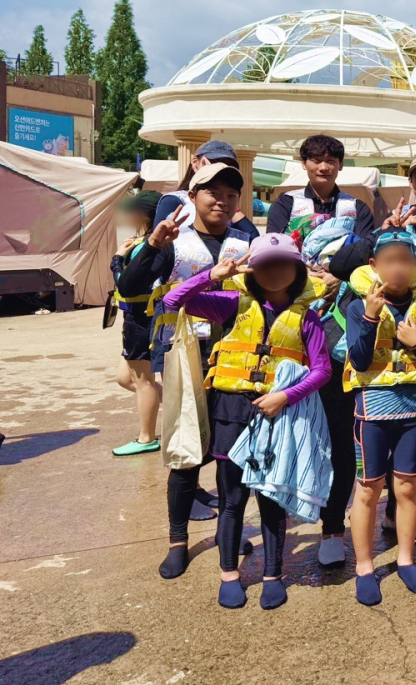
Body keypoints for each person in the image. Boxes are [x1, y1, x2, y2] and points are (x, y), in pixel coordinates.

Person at [164, 233, 329, 609]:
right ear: (252, 270)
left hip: (276, 413)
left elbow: (322, 370)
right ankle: (229, 575)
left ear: (298, 270)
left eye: (283, 263)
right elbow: (172, 302)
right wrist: (213, 276)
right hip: (231, 412)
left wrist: (285, 396)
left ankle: (273, 575)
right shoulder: (231, 304)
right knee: (232, 499)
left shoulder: (307, 318)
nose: (274, 271)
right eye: (265, 264)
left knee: (271, 500)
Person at [117, 163, 253, 580]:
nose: (222, 201)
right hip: (182, 354)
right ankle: (178, 541)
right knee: (185, 451)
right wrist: (152, 246)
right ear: (192, 197)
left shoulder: (245, 242)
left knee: (232, 453)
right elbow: (130, 287)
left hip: (234, 358)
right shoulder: (173, 239)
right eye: (212, 192)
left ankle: (228, 531)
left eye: (231, 194)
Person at [344, 229, 416, 605]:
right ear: (374, 266)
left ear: (415, 264)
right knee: (368, 489)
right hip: (371, 414)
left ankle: (406, 560)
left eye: (405, 260)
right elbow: (358, 361)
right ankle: (364, 567)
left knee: (406, 488)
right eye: (389, 261)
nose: (398, 268)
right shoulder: (357, 307)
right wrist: (371, 318)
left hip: (414, 412)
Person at [111, 190, 163, 457]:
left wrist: (117, 259)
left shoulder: (146, 246)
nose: (126, 215)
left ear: (143, 214)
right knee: (124, 378)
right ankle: (180, 408)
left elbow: (126, 284)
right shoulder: (143, 242)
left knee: (144, 382)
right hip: (135, 318)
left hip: (141, 318)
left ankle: (146, 438)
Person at [265, 134, 375, 239]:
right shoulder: (286, 204)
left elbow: (364, 247)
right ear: (304, 163)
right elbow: (274, 244)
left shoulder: (357, 208)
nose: (323, 168)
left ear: (340, 164)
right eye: (316, 161)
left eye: (330, 161)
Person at [152, 140, 259, 237]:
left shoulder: (228, 206)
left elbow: (253, 238)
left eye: (228, 165)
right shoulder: (175, 199)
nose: (220, 167)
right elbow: (157, 240)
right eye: (215, 162)